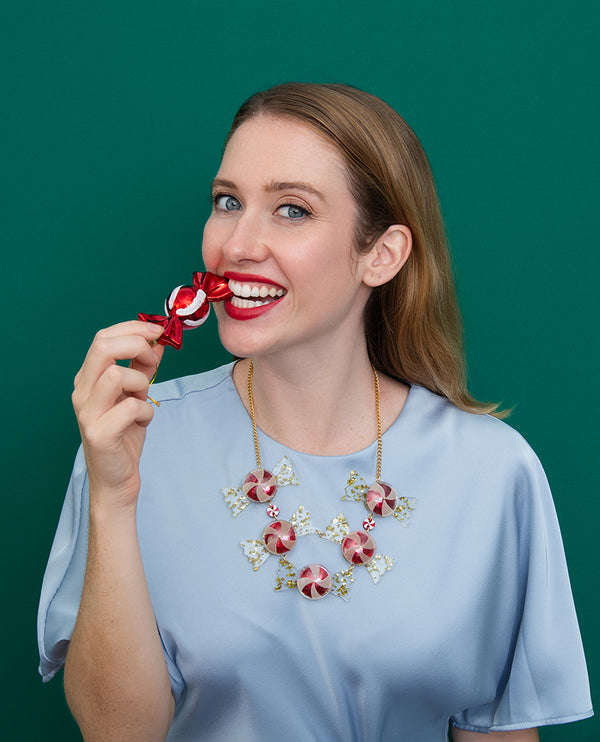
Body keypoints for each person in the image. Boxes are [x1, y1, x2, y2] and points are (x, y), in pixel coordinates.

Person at [38, 83, 592, 742]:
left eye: (292, 210)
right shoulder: (133, 440)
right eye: (227, 202)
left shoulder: (492, 472)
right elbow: (117, 735)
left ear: (380, 254)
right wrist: (112, 495)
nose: (238, 243)